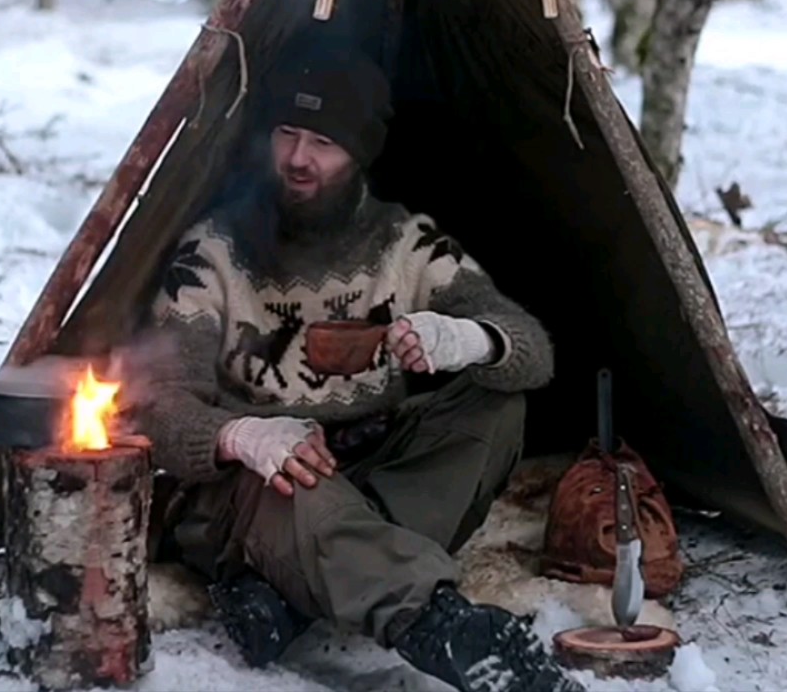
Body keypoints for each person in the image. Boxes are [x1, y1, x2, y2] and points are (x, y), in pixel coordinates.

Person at [127, 46, 582, 692]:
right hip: (251, 489)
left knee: (498, 402)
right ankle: (445, 627)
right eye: (287, 133)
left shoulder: (408, 244)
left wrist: (468, 337)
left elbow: (531, 351)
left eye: (323, 141)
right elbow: (159, 400)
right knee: (293, 481)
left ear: (361, 151)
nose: (298, 159)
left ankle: (290, 594)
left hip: (370, 471)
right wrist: (238, 436)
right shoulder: (214, 252)